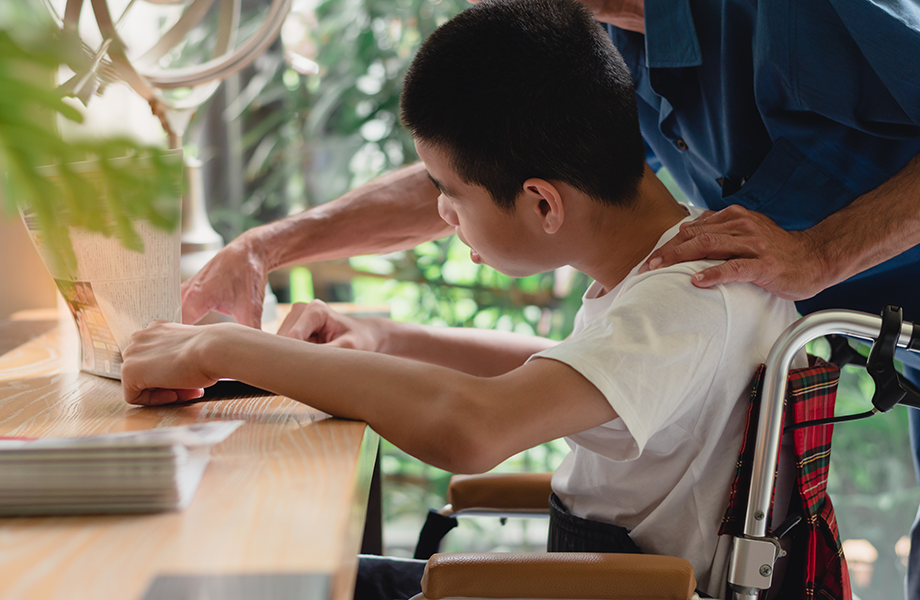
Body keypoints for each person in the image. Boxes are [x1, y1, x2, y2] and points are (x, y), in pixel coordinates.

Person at [179, 0, 920, 596]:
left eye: (451, 199)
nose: (443, 216)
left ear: (542, 202)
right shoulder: (672, 249)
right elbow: (586, 364)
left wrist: (224, 347)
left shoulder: (697, 286)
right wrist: (380, 332)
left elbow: (474, 429)